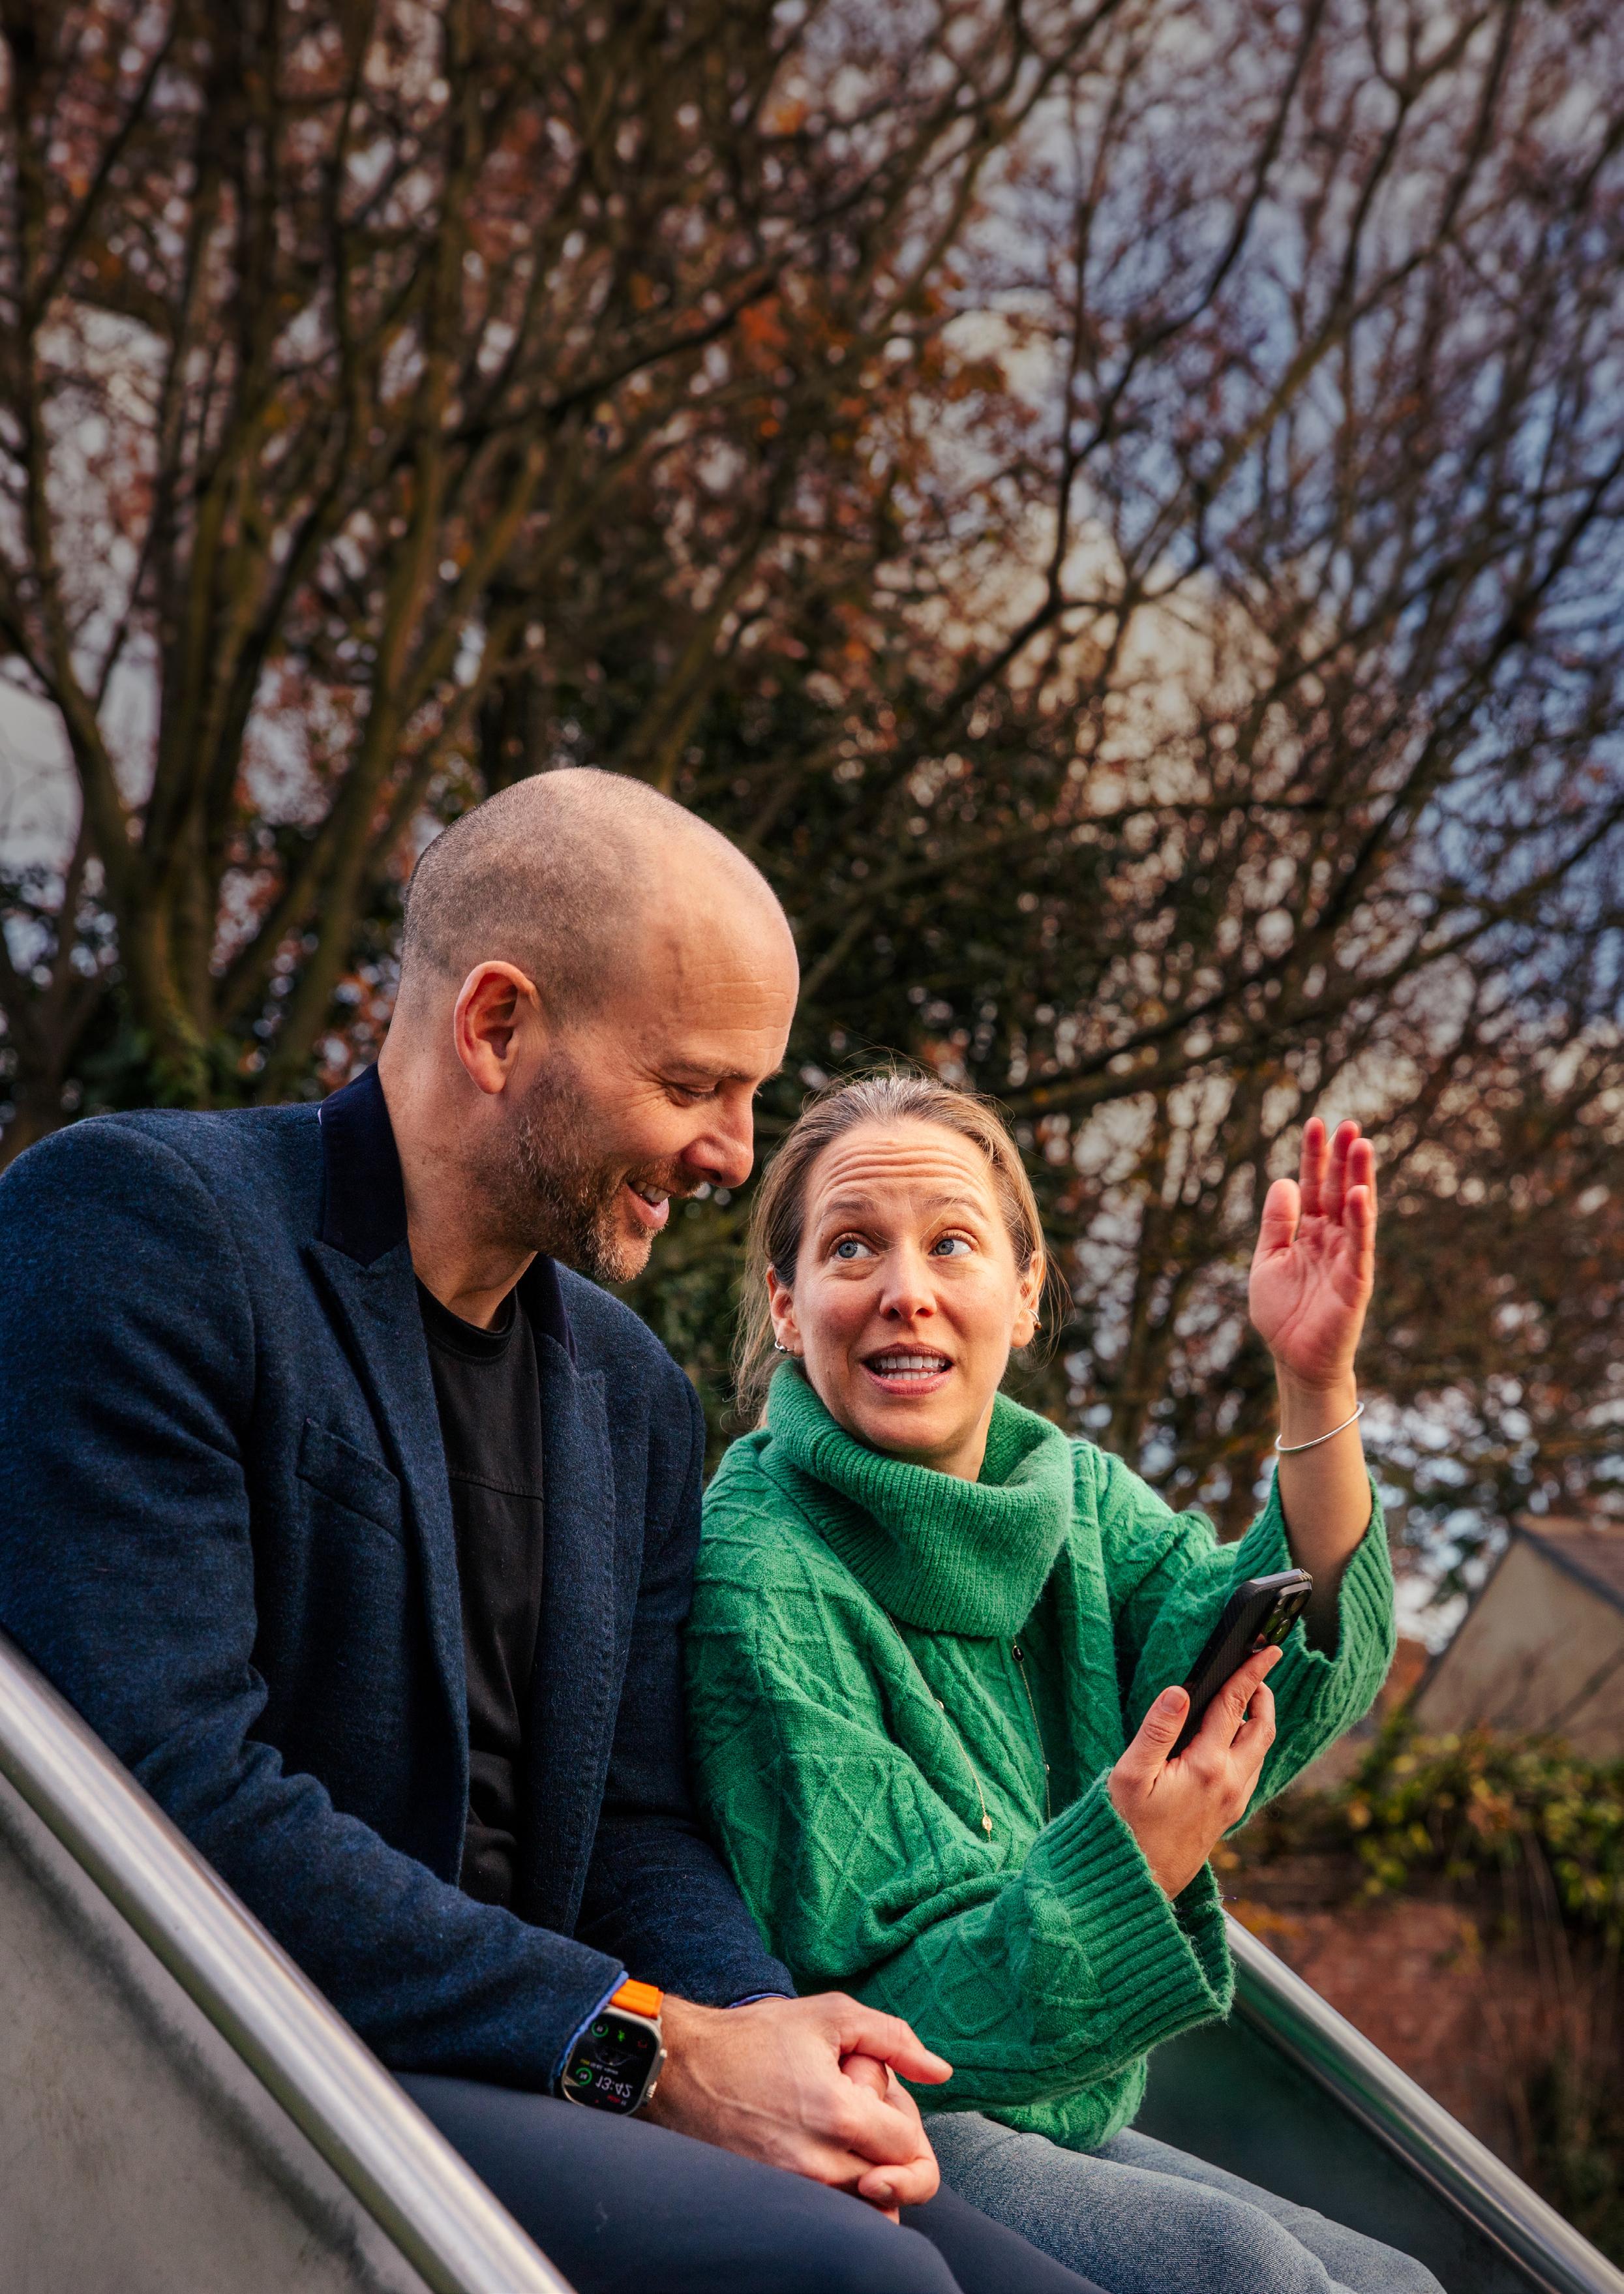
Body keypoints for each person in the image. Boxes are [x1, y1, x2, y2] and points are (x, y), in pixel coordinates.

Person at [0, 776, 1107, 2294]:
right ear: (499, 1025)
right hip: (250, 2061)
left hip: (549, 2073)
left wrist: (767, 2035)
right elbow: (182, 1803)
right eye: (694, 1084)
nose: (737, 1154)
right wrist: (656, 2055)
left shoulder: (631, 1392)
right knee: (866, 2284)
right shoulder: (143, 1229)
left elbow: (639, 1824)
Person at [688, 1069, 1445, 2294]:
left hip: (1059, 2101)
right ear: (786, 1303)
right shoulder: (756, 1566)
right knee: (1244, 2274)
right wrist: (1132, 1860)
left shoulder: (1073, 1494)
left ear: (1026, 1292)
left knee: (1396, 2278)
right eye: (851, 1247)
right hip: (879, 2104)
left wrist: (1315, 1386)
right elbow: (900, 2005)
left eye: (951, 1243)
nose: (905, 1290)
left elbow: (1293, 1660)